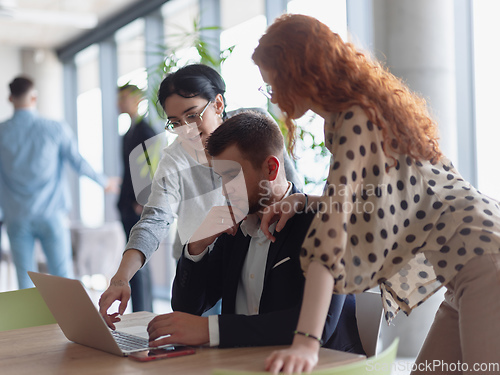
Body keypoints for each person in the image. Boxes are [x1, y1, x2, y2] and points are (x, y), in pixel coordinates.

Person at [252, 14, 500, 375]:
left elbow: (332, 233)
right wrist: (305, 201)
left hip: (484, 260)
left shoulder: (356, 118)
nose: (273, 97)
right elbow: (380, 202)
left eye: (272, 85)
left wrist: (306, 341)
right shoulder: (357, 114)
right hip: (466, 267)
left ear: (297, 71)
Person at [99, 64, 302, 323]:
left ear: (218, 104)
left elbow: (287, 184)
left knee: (246, 326)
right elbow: (154, 220)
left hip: (254, 244)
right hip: (199, 257)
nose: (187, 131)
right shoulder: (175, 158)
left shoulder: (254, 127)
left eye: (193, 115)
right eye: (175, 122)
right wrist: (120, 278)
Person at [145, 111, 363, 351]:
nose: (225, 191)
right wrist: (197, 246)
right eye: (220, 179)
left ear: (270, 168)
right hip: (242, 365)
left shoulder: (321, 221)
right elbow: (187, 310)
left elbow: (320, 324)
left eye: (231, 176)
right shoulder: (235, 228)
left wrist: (211, 330)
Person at [0, 76, 117, 289]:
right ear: (34, 97)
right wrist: (104, 182)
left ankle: (32, 323)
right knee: (63, 279)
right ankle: (72, 322)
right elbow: (78, 162)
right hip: (51, 215)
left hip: (16, 217)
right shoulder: (54, 128)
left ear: (10, 98)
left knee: (24, 280)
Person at [116, 84, 159, 312]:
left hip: (138, 206)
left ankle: (143, 312)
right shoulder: (127, 134)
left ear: (137, 99)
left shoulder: (146, 131)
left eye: (123, 98)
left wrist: (144, 199)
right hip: (125, 205)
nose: (119, 103)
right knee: (131, 260)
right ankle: (139, 310)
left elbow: (153, 168)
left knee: (139, 260)